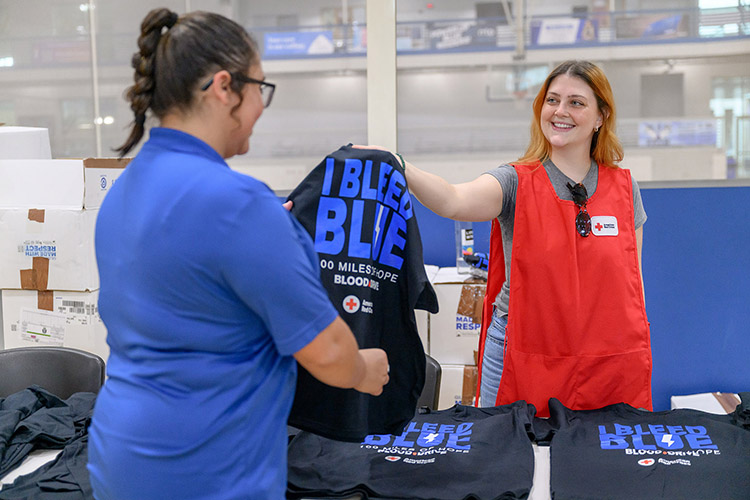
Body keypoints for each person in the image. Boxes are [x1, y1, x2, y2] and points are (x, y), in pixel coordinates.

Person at [86, 9, 389, 500]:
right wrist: (365, 368)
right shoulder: (240, 205)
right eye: (259, 89)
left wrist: (272, 235)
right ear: (224, 87)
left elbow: (190, 294)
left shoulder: (123, 192)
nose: (261, 107)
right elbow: (330, 354)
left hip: (121, 456)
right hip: (207, 469)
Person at [400, 60, 651, 417]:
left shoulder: (625, 190)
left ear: (600, 117)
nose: (560, 111)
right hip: (522, 353)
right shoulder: (514, 182)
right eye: (552, 100)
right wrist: (401, 165)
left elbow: (631, 288)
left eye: (576, 102)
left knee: (598, 467)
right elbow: (453, 201)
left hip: (604, 363)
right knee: (509, 461)